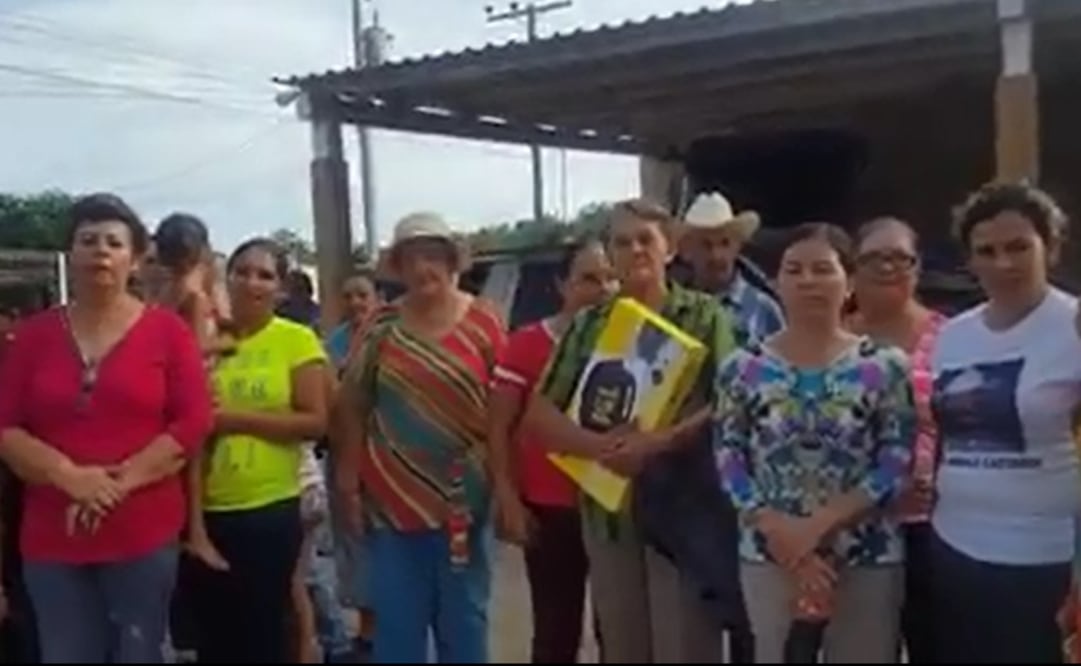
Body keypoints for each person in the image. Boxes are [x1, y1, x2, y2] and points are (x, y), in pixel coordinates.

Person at [0, 192, 214, 663]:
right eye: (88, 240)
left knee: (141, 652)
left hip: (143, 530)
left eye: (114, 243)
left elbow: (193, 419)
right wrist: (69, 477)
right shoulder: (34, 336)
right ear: (70, 254)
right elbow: (7, 426)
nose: (100, 251)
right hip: (52, 535)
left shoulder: (168, 332)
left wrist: (117, 484)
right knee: (66, 653)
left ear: (135, 259)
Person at [524, 198, 737, 663]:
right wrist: (600, 448)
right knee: (622, 646)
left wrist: (658, 442)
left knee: (687, 646)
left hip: (685, 513)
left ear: (671, 248)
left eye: (646, 239)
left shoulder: (705, 316)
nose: (635, 250)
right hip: (609, 513)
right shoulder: (588, 326)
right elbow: (539, 415)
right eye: (622, 242)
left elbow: (731, 401)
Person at [714, 222, 915, 663]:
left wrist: (819, 525)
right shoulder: (742, 367)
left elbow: (895, 460)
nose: (808, 281)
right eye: (795, 270)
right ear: (776, 282)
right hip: (772, 555)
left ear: (848, 283)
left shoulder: (884, 366)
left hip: (866, 554)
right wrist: (783, 534)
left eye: (823, 269)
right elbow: (730, 460)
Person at [337, 212, 506, 664]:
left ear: (452, 262)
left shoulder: (486, 323)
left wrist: (507, 490)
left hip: (465, 500)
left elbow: (505, 413)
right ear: (399, 267)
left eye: (433, 256)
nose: (423, 269)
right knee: (398, 628)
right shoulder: (380, 326)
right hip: (392, 502)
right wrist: (348, 485)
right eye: (412, 259)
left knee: (465, 623)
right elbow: (352, 406)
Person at [929, 183, 1081, 662]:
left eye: (1019, 247)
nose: (1004, 263)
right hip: (954, 549)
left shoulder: (1073, 326)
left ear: (1050, 247)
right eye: (987, 251)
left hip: (1045, 562)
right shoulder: (953, 335)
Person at [188, 238, 329, 663]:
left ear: (281, 289)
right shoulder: (206, 342)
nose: (252, 281)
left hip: (270, 508)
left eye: (265, 274)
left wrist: (231, 421)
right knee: (214, 639)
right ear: (225, 279)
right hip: (207, 512)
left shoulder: (296, 340)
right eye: (242, 271)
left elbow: (315, 422)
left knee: (266, 632)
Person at [489, 238, 615, 663]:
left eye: (611, 278)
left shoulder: (633, 344)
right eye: (589, 279)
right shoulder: (526, 344)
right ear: (562, 285)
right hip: (549, 508)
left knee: (616, 629)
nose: (603, 289)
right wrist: (507, 498)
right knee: (555, 631)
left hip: (614, 508)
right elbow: (499, 427)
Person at [846, 217, 944, 662]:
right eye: (873, 258)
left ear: (917, 267)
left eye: (899, 257)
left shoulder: (953, 338)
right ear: (853, 270)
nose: (887, 267)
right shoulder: (835, 341)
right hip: (854, 527)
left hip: (935, 527)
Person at [325, 272, 382, 652]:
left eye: (362, 295)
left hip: (385, 457)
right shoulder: (334, 342)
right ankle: (366, 632)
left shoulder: (392, 335)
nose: (355, 303)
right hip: (344, 453)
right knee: (353, 542)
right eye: (348, 296)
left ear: (376, 298)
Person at [681, 191, 783, 348]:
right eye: (706, 245)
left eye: (724, 243)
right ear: (687, 251)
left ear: (737, 246)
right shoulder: (675, 309)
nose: (716, 255)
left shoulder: (764, 309)